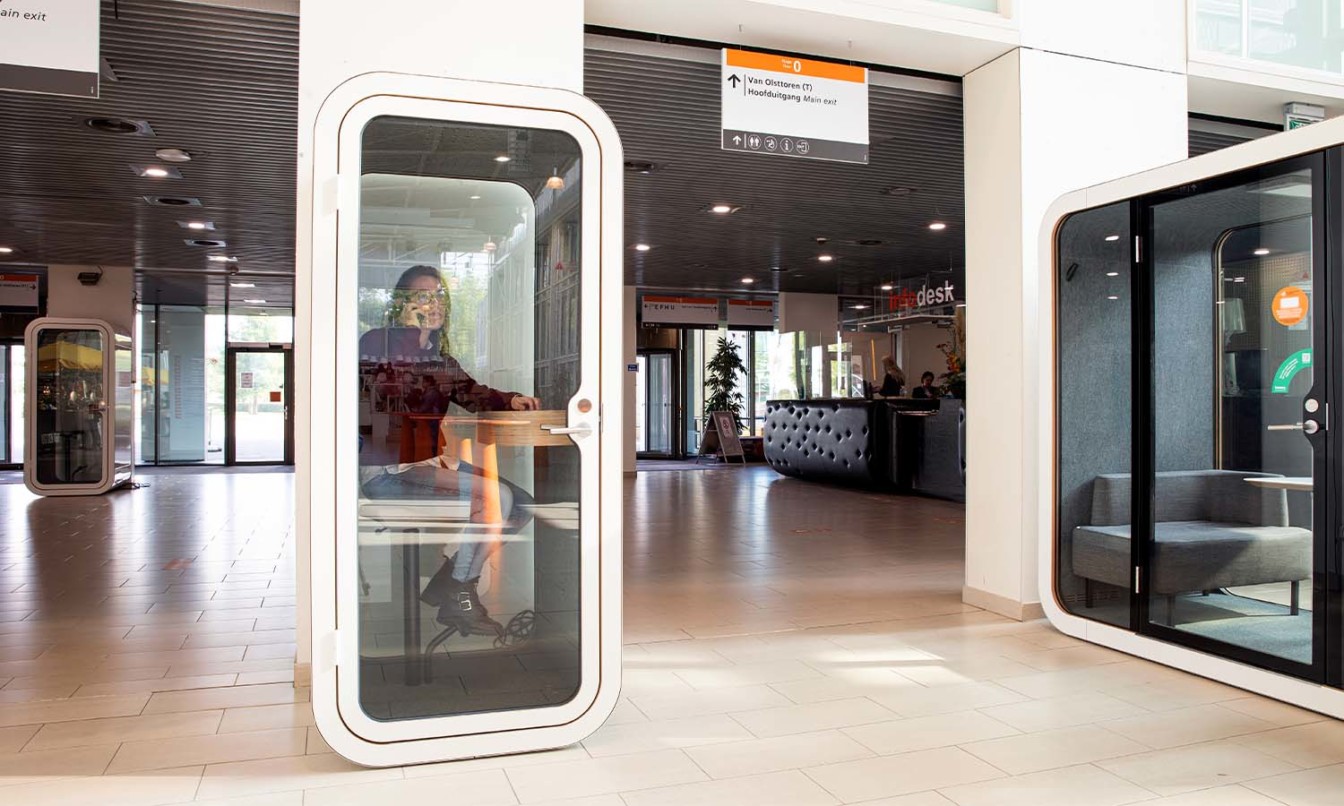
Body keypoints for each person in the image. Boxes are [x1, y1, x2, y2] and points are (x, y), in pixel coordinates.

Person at [359, 264, 540, 638]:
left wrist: (512, 399)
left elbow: (472, 393)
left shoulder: (440, 359)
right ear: (401, 306)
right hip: (387, 471)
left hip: (426, 464)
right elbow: (387, 396)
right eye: (422, 296)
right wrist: (413, 335)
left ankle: (451, 586)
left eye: (439, 295)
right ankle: (460, 593)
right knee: (494, 497)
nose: (435, 303)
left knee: (520, 504)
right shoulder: (377, 343)